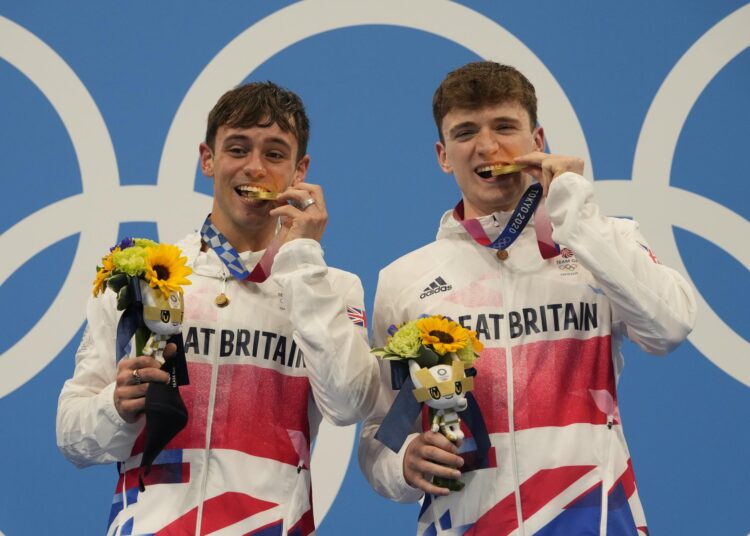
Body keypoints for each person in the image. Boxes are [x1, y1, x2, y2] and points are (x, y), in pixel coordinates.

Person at [358, 62, 696, 535]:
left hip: (593, 520)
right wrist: (401, 465)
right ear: (442, 154)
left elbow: (670, 326)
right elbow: (381, 434)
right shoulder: (406, 281)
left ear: (538, 140)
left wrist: (577, 218)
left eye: (504, 127)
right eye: (465, 132)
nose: (487, 146)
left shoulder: (601, 242)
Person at [57, 81, 379, 535]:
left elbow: (349, 404)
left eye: (274, 153)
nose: (254, 167)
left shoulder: (329, 286)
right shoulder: (141, 277)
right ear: (208, 159)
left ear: (299, 170)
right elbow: (71, 434)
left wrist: (303, 259)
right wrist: (115, 407)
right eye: (238, 148)